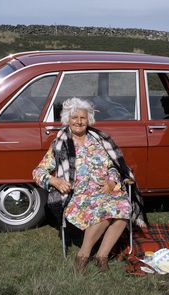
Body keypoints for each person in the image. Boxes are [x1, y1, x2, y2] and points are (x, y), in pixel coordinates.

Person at [33, 97, 145, 273]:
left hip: (103, 190)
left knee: (123, 207)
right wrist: (56, 181)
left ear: (89, 119)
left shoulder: (100, 140)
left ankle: (102, 255)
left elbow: (113, 167)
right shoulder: (60, 144)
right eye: (74, 117)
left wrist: (111, 181)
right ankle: (83, 255)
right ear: (67, 120)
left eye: (83, 118)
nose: (78, 121)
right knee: (104, 210)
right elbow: (38, 172)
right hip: (76, 196)